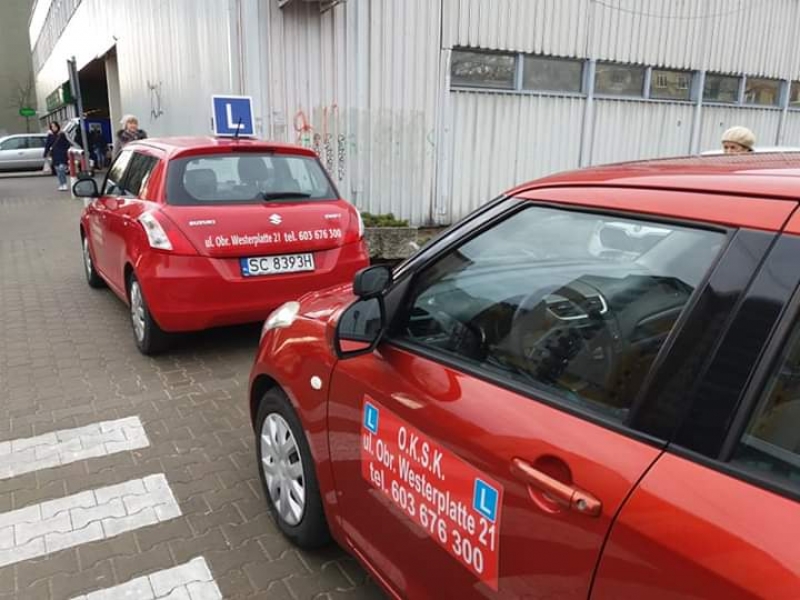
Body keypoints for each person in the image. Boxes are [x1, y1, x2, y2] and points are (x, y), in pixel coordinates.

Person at [43, 122, 71, 191]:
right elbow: (47, 145)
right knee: (58, 171)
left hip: (62, 155)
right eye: (52, 127)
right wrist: (45, 154)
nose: (54, 128)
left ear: (57, 127)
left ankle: (64, 184)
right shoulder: (50, 136)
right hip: (54, 155)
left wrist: (65, 150)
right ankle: (61, 184)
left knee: (62, 169)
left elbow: (67, 144)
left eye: (55, 126)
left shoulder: (61, 134)